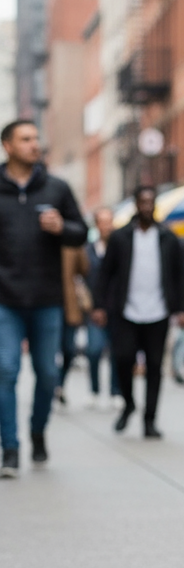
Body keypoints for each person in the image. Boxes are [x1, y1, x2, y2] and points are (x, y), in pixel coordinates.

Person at [0, 119, 87, 476]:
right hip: (5, 300)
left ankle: (37, 432)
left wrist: (61, 228)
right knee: (5, 371)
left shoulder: (57, 188)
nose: (35, 144)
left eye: (36, 138)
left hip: (47, 298)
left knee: (48, 374)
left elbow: (81, 233)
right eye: (26, 139)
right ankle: (10, 446)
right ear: (7, 146)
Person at [92, 186, 184, 439]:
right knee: (123, 360)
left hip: (158, 312)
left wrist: (181, 309)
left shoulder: (168, 237)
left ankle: (150, 419)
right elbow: (105, 274)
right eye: (142, 202)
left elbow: (179, 276)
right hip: (126, 311)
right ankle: (129, 403)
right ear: (135, 204)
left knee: (155, 367)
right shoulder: (120, 237)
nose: (147, 206)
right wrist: (99, 305)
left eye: (151, 202)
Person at [85, 207, 120, 403]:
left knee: (117, 351)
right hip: (95, 309)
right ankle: (95, 390)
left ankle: (115, 391)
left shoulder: (120, 248)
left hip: (116, 308)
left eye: (110, 221)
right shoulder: (88, 250)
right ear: (96, 225)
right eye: (103, 222)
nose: (107, 226)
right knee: (94, 350)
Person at [56, 244, 90, 404]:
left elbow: (84, 268)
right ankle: (49, 385)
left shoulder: (71, 242)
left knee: (69, 349)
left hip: (69, 306)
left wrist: (77, 244)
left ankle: (59, 385)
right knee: (46, 353)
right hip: (45, 303)